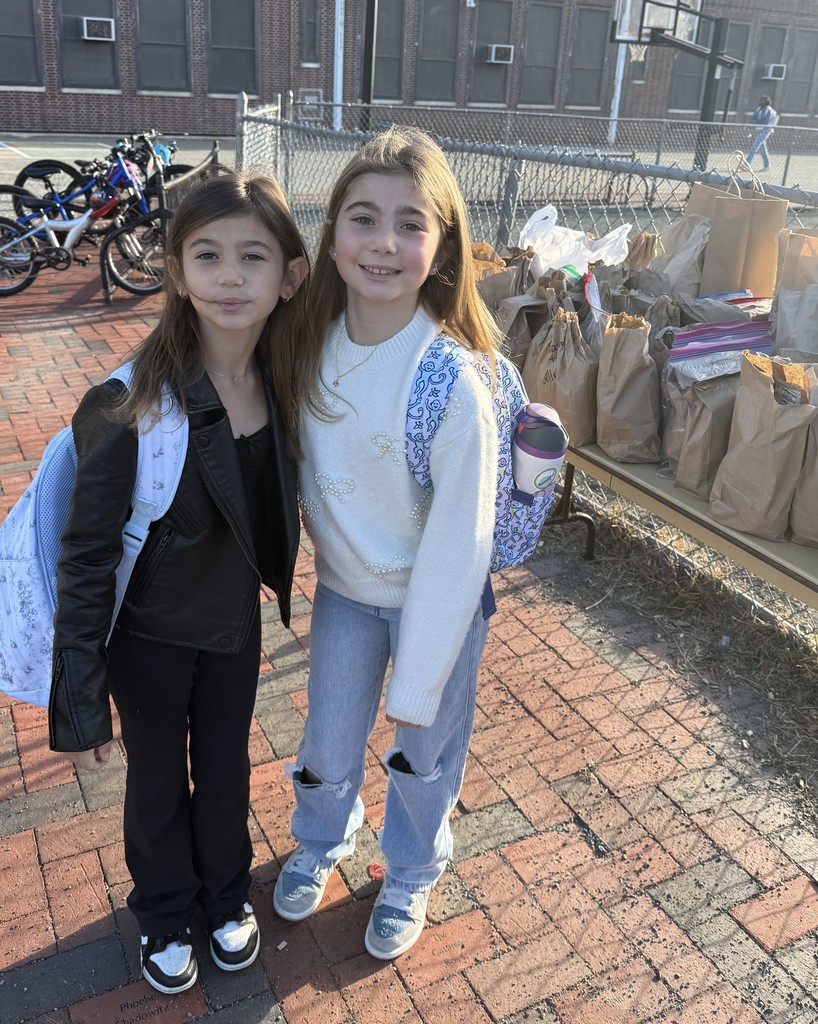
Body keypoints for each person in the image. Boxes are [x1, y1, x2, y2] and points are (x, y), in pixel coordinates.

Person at [48, 172, 309, 994]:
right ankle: (165, 910)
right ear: (174, 269)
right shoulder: (131, 404)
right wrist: (81, 695)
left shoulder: (288, 382)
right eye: (208, 255)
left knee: (227, 767)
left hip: (233, 627)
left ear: (288, 277)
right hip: (149, 637)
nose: (231, 277)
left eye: (252, 257)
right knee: (157, 775)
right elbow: (86, 556)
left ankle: (226, 896)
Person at [273, 126, 500, 960]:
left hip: (434, 604)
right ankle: (325, 835)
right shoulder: (302, 339)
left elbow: (460, 537)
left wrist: (422, 669)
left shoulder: (447, 376)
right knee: (328, 739)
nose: (384, 243)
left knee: (422, 753)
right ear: (331, 237)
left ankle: (410, 868)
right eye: (363, 219)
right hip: (346, 593)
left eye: (411, 224)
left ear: (441, 249)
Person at [746, 95, 779, 172]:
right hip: (758, 129)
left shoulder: (769, 110)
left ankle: (747, 164)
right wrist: (756, 122)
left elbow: (766, 122)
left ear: (767, 102)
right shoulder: (758, 109)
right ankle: (767, 166)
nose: (760, 102)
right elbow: (753, 119)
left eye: (762, 101)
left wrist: (757, 122)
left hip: (765, 130)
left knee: (755, 146)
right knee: (762, 149)